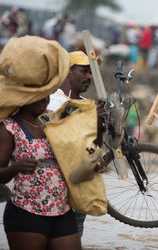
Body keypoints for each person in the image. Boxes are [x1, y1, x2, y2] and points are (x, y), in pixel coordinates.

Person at [0, 36, 81, 249]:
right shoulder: (9, 128)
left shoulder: (52, 119)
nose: (45, 101)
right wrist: (15, 167)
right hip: (26, 213)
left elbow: (78, 145)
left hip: (62, 211)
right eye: (40, 97)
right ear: (25, 98)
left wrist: (92, 163)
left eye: (47, 96)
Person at [47, 50, 105, 237]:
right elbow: (56, 139)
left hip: (78, 192)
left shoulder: (88, 104)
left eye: (91, 72)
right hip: (51, 191)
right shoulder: (51, 101)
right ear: (67, 72)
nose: (89, 76)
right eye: (84, 71)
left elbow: (93, 145)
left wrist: (98, 122)